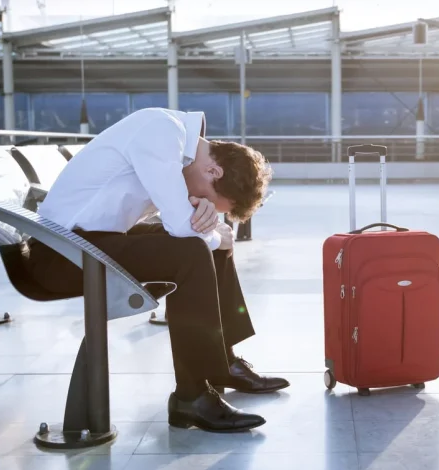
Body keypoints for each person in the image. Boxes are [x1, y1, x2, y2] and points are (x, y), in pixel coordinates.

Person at [25, 107, 288, 433]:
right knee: (193, 249)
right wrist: (213, 233)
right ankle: (192, 396)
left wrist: (215, 234)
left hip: (87, 243)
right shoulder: (162, 131)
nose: (195, 200)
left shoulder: (176, 143)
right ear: (213, 171)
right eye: (204, 198)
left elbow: (187, 227)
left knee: (205, 245)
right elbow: (181, 226)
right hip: (58, 255)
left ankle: (224, 361)